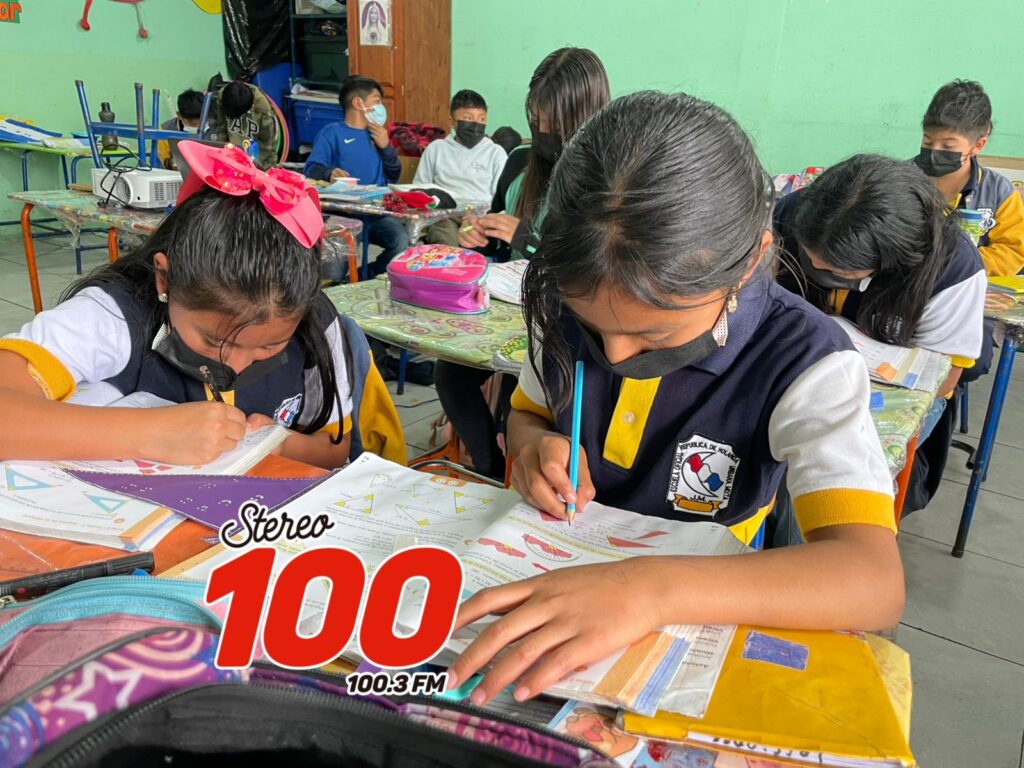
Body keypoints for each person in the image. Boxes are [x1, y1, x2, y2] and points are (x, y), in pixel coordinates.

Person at [447, 91, 904, 705]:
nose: (613, 356)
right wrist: (534, 445)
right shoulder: (564, 302)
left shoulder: (806, 360)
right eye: (592, 327)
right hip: (556, 558)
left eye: (654, 335)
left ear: (749, 262)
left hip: (692, 604)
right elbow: (529, 412)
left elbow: (873, 580)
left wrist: (646, 589)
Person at [0, 141, 404, 470]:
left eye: (269, 346)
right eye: (212, 339)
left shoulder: (317, 325)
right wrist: (149, 433)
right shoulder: (115, 316)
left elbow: (333, 449)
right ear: (164, 279)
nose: (236, 366)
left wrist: (277, 442)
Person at [435, 48, 610, 479]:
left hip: (565, 319)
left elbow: (595, 265)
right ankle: (492, 471)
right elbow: (498, 250)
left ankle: (516, 464)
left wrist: (526, 238)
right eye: (538, 120)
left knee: (521, 392)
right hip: (505, 309)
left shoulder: (604, 179)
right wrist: (476, 236)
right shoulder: (518, 163)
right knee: (449, 374)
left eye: (556, 122)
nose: (545, 131)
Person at [776, 155, 986, 441]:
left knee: (848, 449)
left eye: (838, 271)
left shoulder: (954, 270)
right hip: (798, 366)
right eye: (807, 258)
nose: (814, 269)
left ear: (891, 261)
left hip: (900, 394)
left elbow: (943, 378)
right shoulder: (797, 214)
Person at [915, 80, 1024, 276]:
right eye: (927, 141)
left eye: (948, 146)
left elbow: (1013, 251)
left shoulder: (999, 192)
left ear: (978, 145)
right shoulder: (898, 180)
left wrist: (953, 265)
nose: (934, 152)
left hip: (967, 287)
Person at [305, 75, 408, 277]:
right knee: (334, 270)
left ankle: (363, 277)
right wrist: (329, 173)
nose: (381, 107)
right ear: (358, 103)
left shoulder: (377, 134)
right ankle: (339, 284)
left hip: (376, 213)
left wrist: (386, 147)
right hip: (343, 214)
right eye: (377, 101)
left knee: (401, 243)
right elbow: (312, 168)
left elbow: (394, 175)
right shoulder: (332, 133)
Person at [413, 89, 507, 245]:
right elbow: (420, 187)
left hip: (480, 217)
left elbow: (500, 199)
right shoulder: (436, 149)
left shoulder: (495, 152)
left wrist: (478, 217)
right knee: (445, 239)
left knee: (473, 238)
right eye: (468, 118)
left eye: (481, 118)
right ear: (452, 122)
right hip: (444, 214)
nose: (476, 124)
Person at [209, 80, 279, 169]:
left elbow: (268, 144)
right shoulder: (223, 96)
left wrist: (261, 166)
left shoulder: (263, 109)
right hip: (232, 152)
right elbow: (221, 127)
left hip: (254, 156)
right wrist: (220, 153)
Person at [158, 88, 204, 170]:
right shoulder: (166, 129)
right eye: (192, 123)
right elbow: (162, 159)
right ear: (179, 115)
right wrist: (172, 164)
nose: (197, 126)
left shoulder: (215, 126)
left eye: (201, 122)